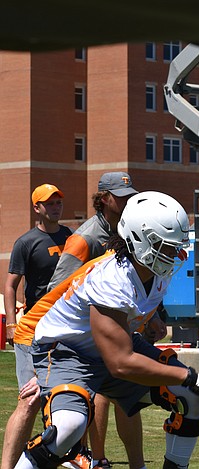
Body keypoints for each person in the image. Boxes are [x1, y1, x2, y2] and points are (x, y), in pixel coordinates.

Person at [12, 191, 199, 469]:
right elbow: (121, 363)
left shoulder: (155, 271)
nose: (175, 254)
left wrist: (186, 378)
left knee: (191, 397)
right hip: (68, 351)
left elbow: (129, 326)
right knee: (68, 427)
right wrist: (189, 375)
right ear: (140, 241)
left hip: (112, 344)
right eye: (167, 246)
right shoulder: (112, 277)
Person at [44, 172, 144, 469]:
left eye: (129, 194)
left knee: (130, 401)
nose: (127, 200)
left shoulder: (128, 231)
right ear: (103, 200)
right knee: (96, 394)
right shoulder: (86, 237)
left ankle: (134, 464)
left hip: (123, 328)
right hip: (85, 336)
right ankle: (94, 458)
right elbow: (57, 288)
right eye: (120, 196)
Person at [2, 184, 71, 469]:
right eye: (49, 203)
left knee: (66, 394)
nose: (55, 206)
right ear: (37, 208)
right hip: (33, 327)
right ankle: (10, 463)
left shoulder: (71, 237)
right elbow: (10, 285)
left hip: (66, 326)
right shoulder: (26, 242)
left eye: (58, 201)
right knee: (30, 397)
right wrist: (11, 322)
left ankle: (64, 454)